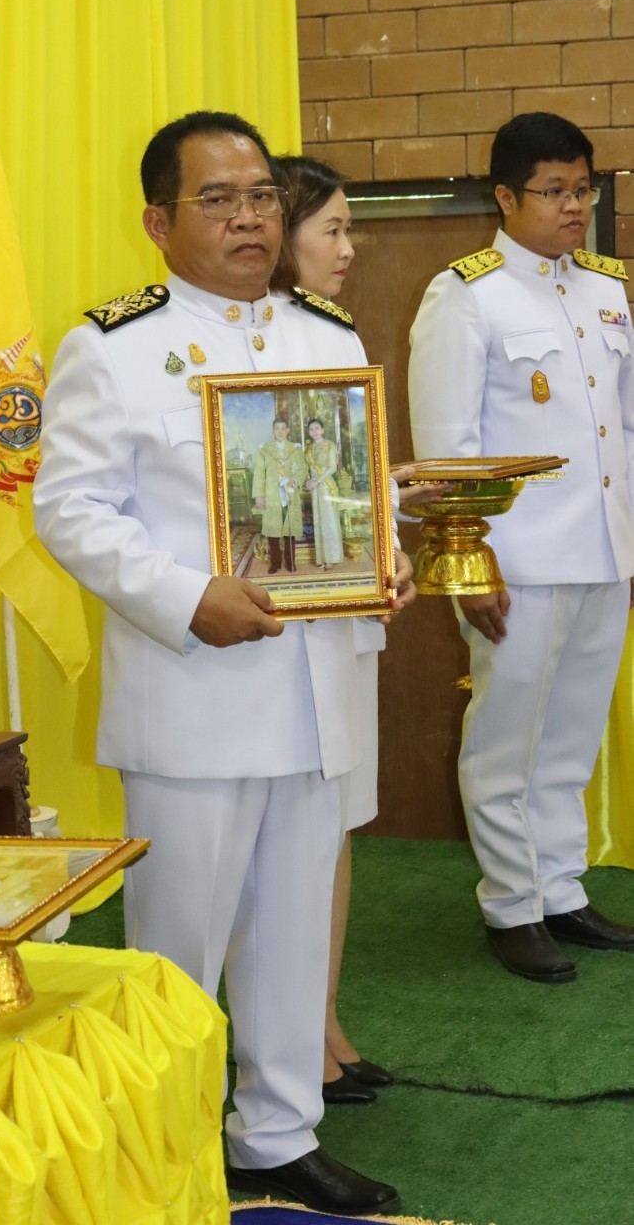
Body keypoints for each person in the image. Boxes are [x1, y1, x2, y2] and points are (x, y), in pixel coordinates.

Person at [34, 112, 413, 1216]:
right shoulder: (112, 347)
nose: (250, 217)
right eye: (219, 198)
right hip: (193, 694)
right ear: (159, 219)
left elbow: (355, 485)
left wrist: (381, 557)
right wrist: (184, 595)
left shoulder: (326, 336)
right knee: (178, 944)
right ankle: (166, 1140)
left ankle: (280, 1134)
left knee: (295, 928)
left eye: (261, 195)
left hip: (313, 683)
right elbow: (71, 511)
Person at [408, 112, 634, 982]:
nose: (573, 206)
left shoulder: (608, 291)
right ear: (504, 196)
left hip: (603, 552)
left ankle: (559, 888)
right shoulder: (466, 294)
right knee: (506, 736)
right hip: (519, 559)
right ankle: (509, 904)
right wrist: (470, 561)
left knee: (570, 734)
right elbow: (445, 446)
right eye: (553, 192)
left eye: (583, 189)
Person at [271, 153, 433, 1108]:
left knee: (332, 836)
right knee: (284, 844)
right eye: (329, 228)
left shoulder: (329, 329)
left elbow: (341, 470)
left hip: (342, 627)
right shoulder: (225, 343)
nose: (348, 245)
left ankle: (321, 1022)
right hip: (270, 631)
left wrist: (389, 530)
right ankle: (281, 1042)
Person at [252, 415, 307, 572]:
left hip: (290, 493)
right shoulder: (265, 450)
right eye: (277, 428)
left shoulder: (295, 449)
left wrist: (294, 479)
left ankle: (290, 563)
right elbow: (258, 473)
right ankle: (275, 563)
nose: (280, 431)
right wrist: (259, 496)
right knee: (273, 532)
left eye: (283, 428)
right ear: (273, 431)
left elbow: (302, 468)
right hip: (272, 495)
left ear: (288, 430)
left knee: (290, 531)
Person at [304, 417, 343, 569]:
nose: (314, 431)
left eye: (317, 428)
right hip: (314, 487)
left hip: (326, 485)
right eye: (311, 429)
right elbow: (306, 468)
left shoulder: (330, 446)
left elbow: (332, 468)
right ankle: (322, 558)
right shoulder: (308, 449)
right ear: (308, 432)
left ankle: (331, 558)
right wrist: (308, 480)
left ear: (322, 430)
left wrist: (317, 481)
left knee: (329, 522)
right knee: (318, 521)